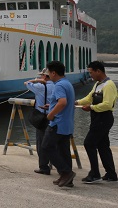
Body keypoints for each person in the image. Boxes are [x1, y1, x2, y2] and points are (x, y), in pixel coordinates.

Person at [75, 61, 118, 183]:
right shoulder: (98, 84)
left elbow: (108, 104)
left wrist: (91, 108)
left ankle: (95, 173)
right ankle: (111, 174)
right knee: (103, 146)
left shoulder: (109, 85)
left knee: (89, 143)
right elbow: (89, 98)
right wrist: (76, 102)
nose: (90, 75)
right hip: (97, 118)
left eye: (91, 72)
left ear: (98, 71)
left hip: (103, 118)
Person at [42, 60, 76, 188]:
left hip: (57, 123)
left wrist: (51, 114)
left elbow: (62, 102)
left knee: (46, 147)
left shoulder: (59, 85)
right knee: (63, 150)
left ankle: (66, 172)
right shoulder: (67, 83)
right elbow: (62, 102)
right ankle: (67, 179)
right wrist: (51, 106)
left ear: (54, 73)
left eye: (49, 72)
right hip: (67, 123)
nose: (48, 75)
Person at [24, 68, 55, 175]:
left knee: (41, 142)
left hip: (43, 117)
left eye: (42, 76)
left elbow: (26, 83)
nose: (40, 77)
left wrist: (36, 80)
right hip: (55, 116)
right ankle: (56, 164)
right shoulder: (57, 86)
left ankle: (44, 167)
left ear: (45, 77)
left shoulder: (41, 86)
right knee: (54, 142)